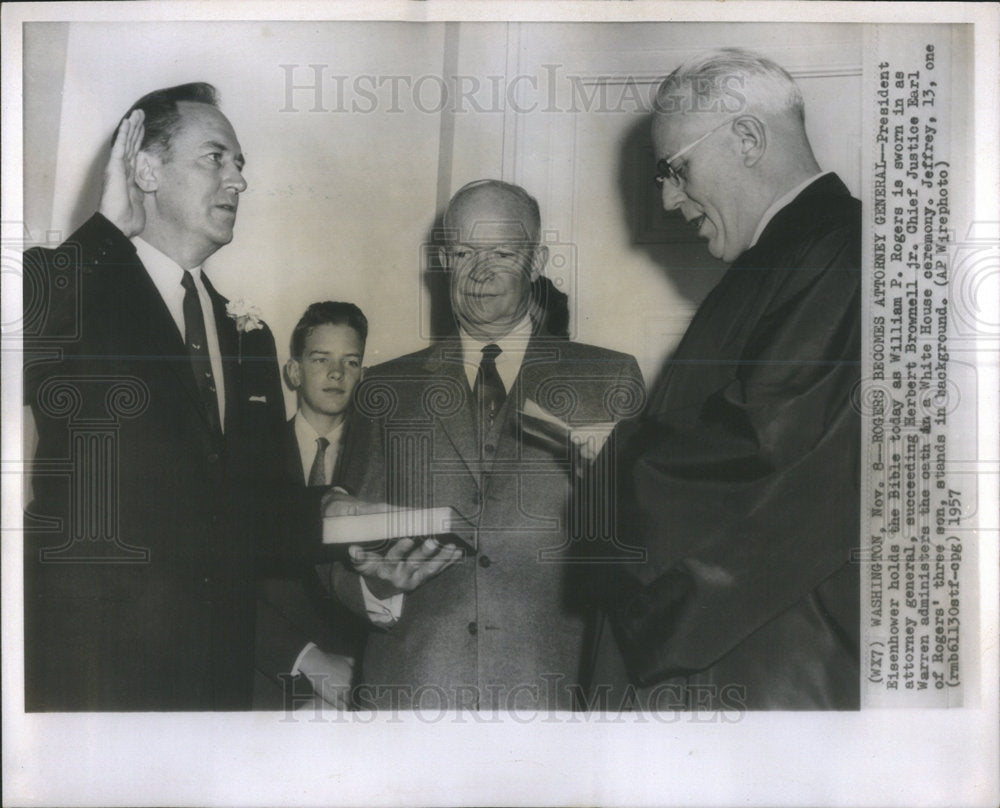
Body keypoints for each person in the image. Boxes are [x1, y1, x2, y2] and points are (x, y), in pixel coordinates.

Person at [22, 83, 322, 710]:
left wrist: (362, 533)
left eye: (240, 165)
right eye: (216, 158)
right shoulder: (78, 287)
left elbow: (262, 511)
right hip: (92, 675)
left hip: (214, 681)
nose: (238, 181)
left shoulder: (250, 334)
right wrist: (105, 229)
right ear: (146, 169)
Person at [592, 48, 862, 710]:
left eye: (675, 169)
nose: (665, 197)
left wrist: (613, 463)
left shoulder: (841, 250)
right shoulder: (790, 259)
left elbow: (771, 451)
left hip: (763, 674)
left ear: (747, 138)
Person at [328, 180, 645, 711]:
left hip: (558, 695)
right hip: (412, 695)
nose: (480, 271)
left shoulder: (608, 379)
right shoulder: (384, 389)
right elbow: (336, 537)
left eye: (502, 252)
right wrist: (375, 591)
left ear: (538, 260)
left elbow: (649, 550)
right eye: (463, 252)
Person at [254, 302, 371, 710]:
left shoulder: (382, 462)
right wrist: (306, 660)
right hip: (270, 680)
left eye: (351, 361)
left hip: (362, 683)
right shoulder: (249, 457)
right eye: (321, 359)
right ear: (294, 371)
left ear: (363, 376)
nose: (336, 373)